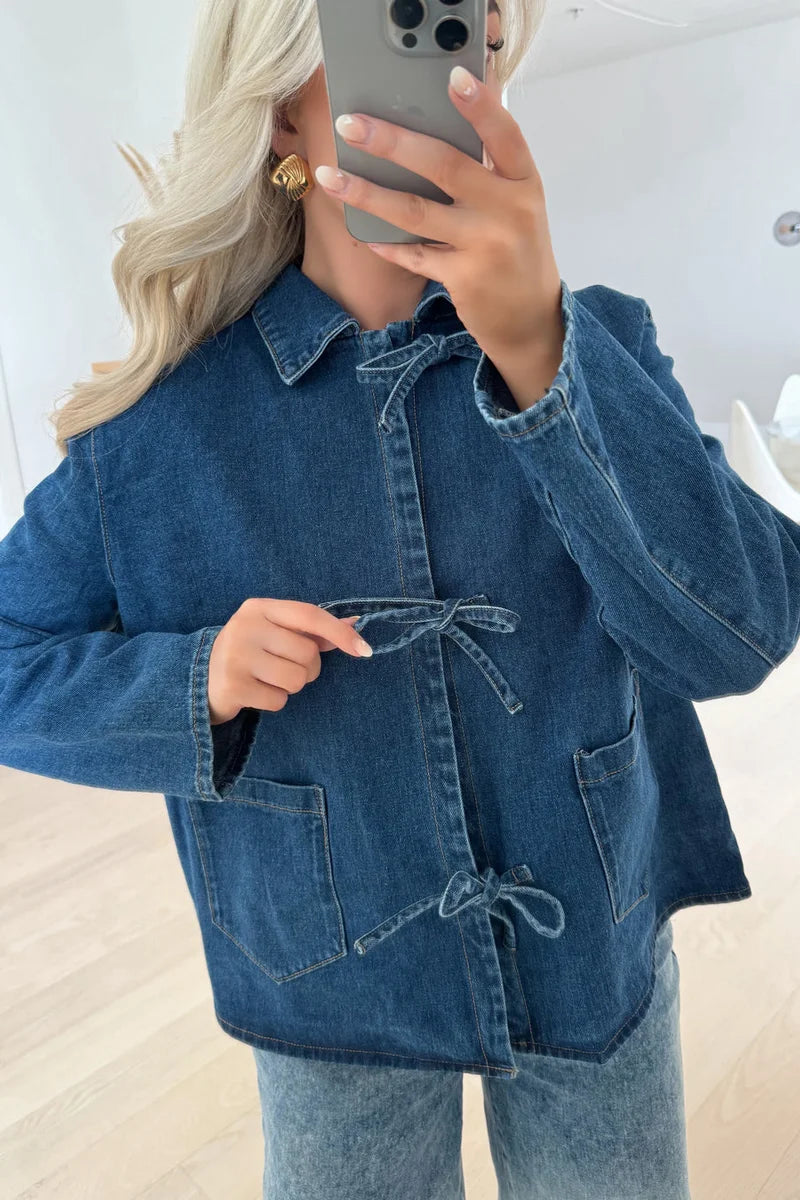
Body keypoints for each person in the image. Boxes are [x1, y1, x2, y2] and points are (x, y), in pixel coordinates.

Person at [2, 2, 799, 1197]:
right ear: (282, 103)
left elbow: (739, 632)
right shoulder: (162, 431)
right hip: (327, 960)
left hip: (585, 911)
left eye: (474, 30)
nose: (454, 73)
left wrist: (543, 356)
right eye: (398, 20)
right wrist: (191, 680)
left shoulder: (601, 344)